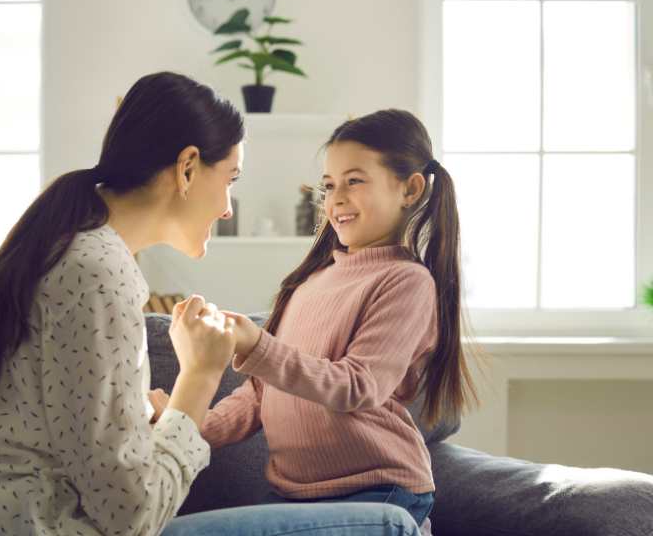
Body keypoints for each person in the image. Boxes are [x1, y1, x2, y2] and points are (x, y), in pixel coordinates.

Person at [0, 72, 423, 536]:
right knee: (392, 527)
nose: (228, 207)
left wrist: (169, 414)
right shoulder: (98, 272)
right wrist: (198, 377)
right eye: (230, 179)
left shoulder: (72, 251)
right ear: (187, 168)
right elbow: (132, 514)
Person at [153, 109, 480, 529]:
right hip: (292, 494)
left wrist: (258, 346)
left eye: (355, 181)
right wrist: (185, 421)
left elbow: (358, 386)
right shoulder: (310, 283)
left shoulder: (407, 281)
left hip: (377, 490)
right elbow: (259, 395)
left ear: (410, 189)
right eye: (328, 185)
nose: (336, 198)